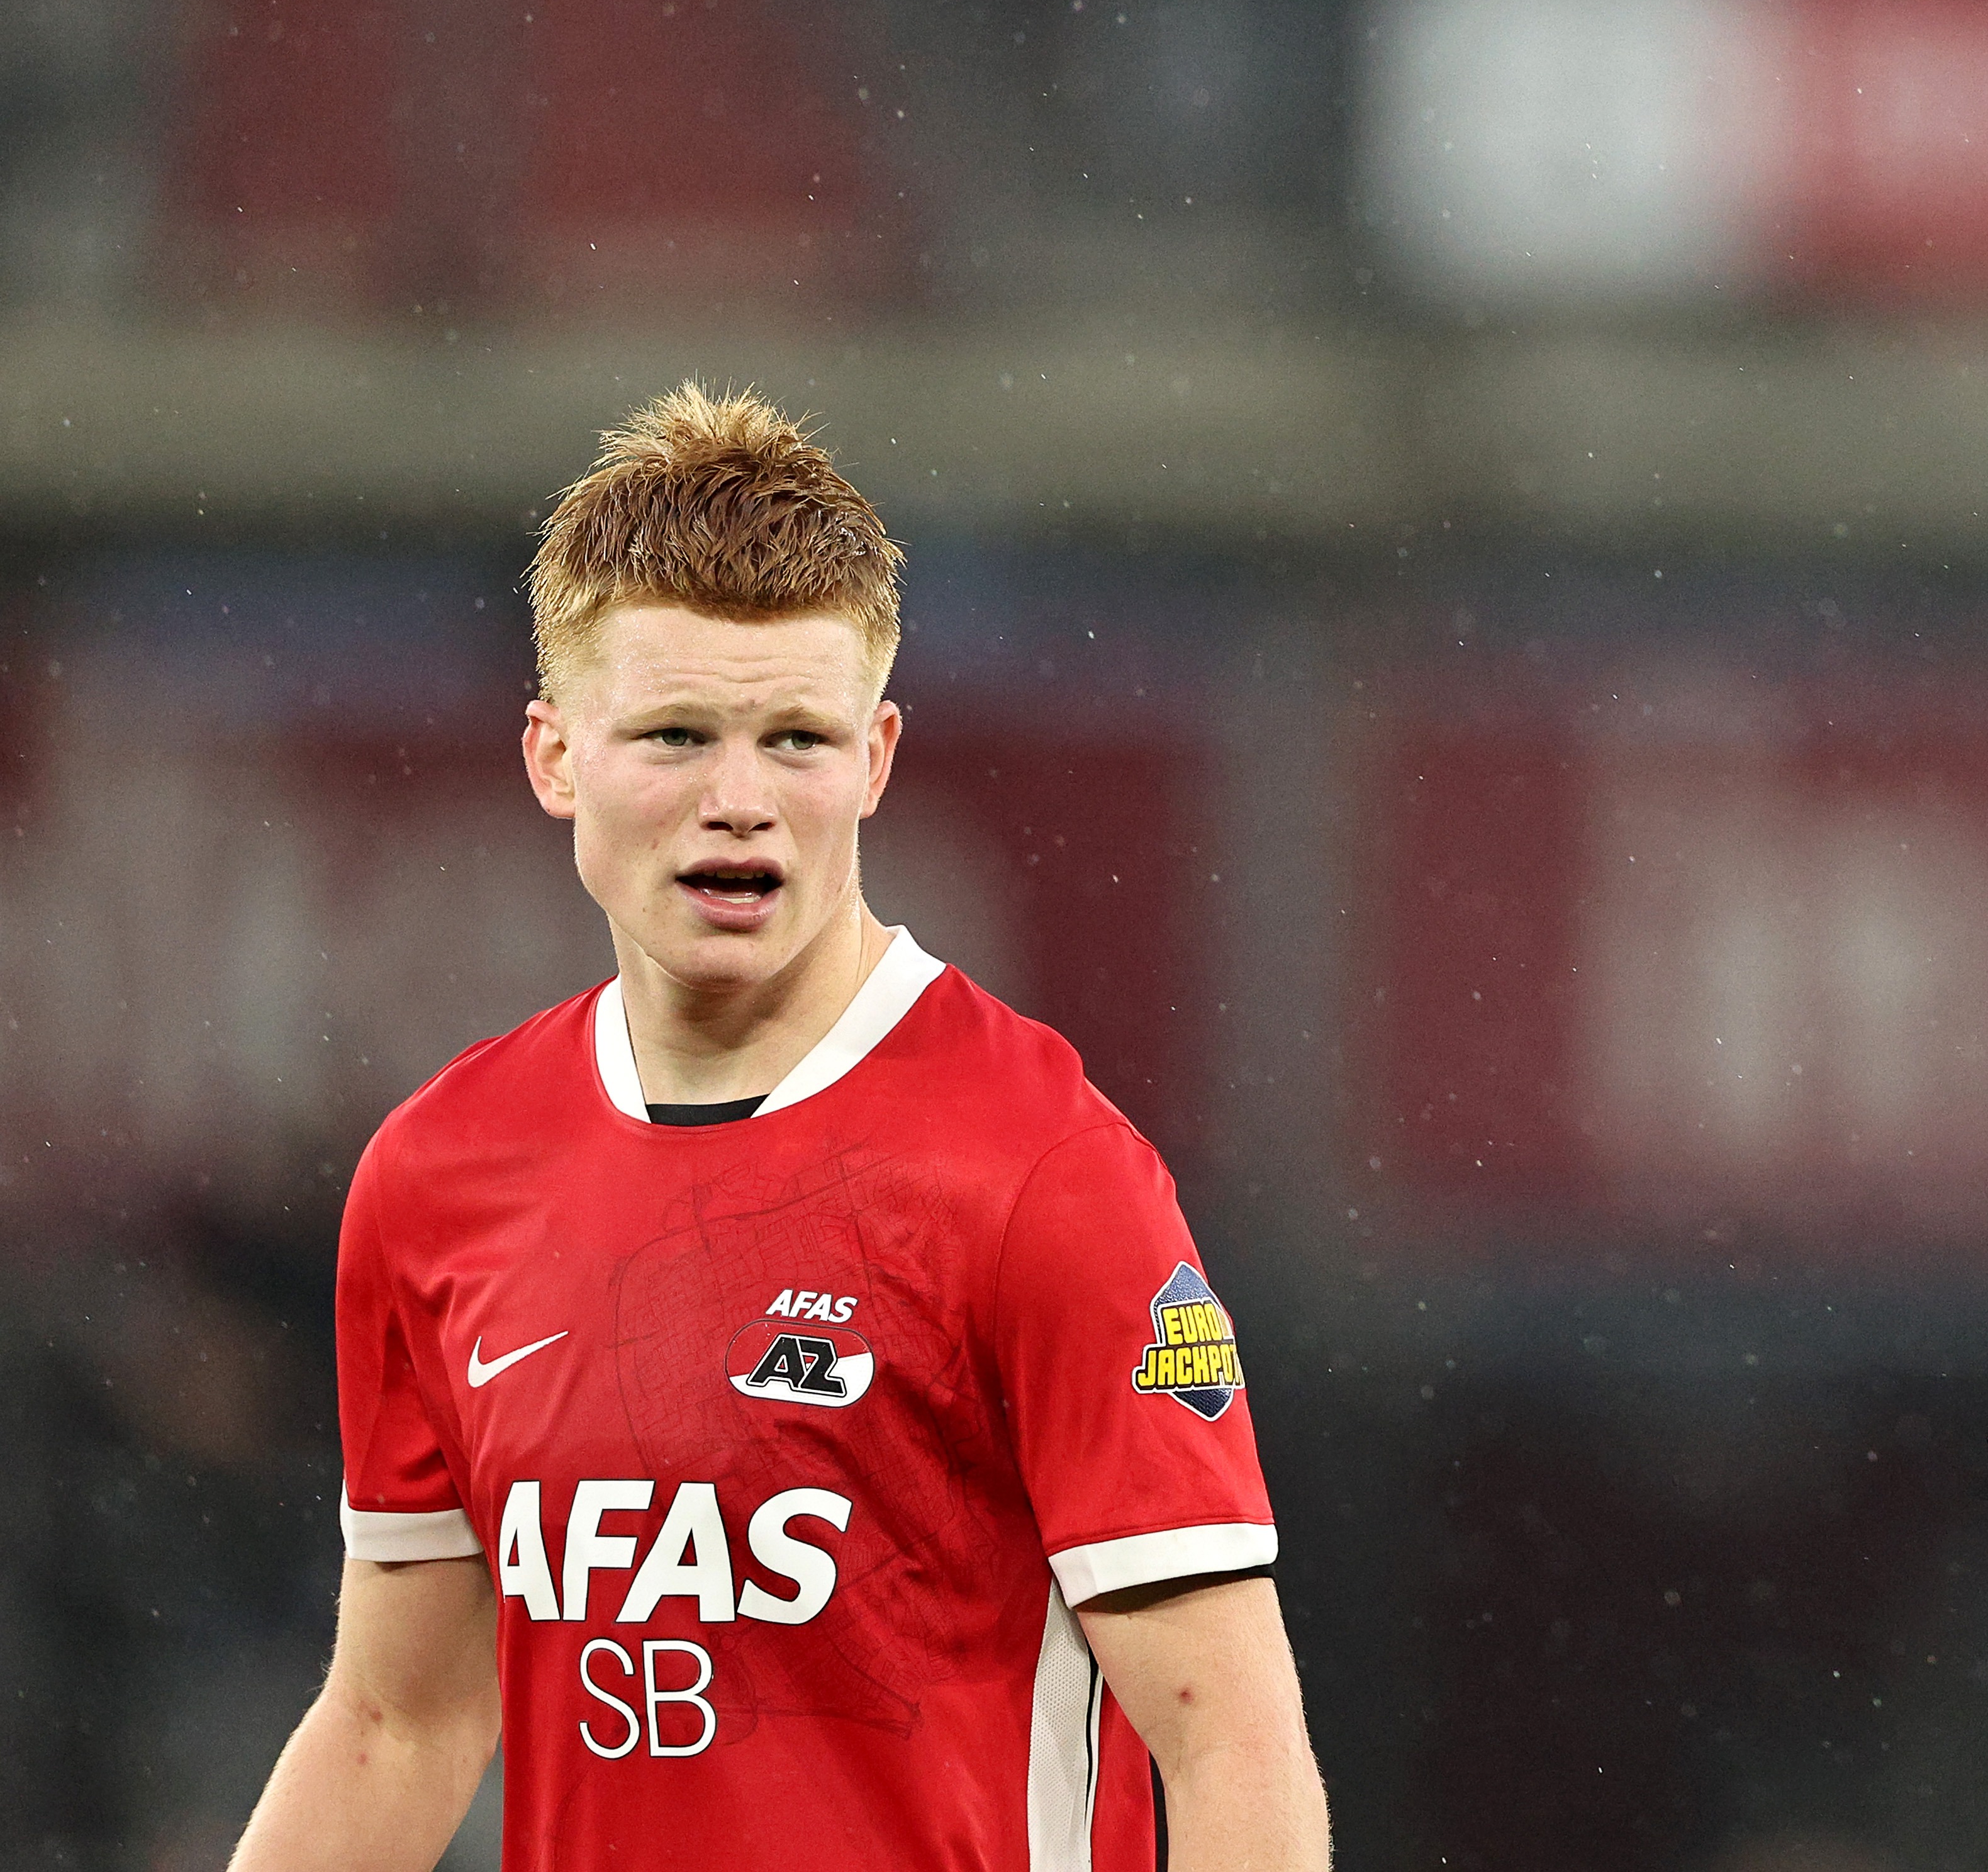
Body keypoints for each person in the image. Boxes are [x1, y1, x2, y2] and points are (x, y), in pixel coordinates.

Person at [231, 385, 1327, 1872]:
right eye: (677, 734)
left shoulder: (1041, 1172)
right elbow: (397, 1721)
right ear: (556, 757)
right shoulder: (439, 1175)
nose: (739, 803)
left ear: (876, 760)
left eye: (797, 741)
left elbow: (1233, 1740)